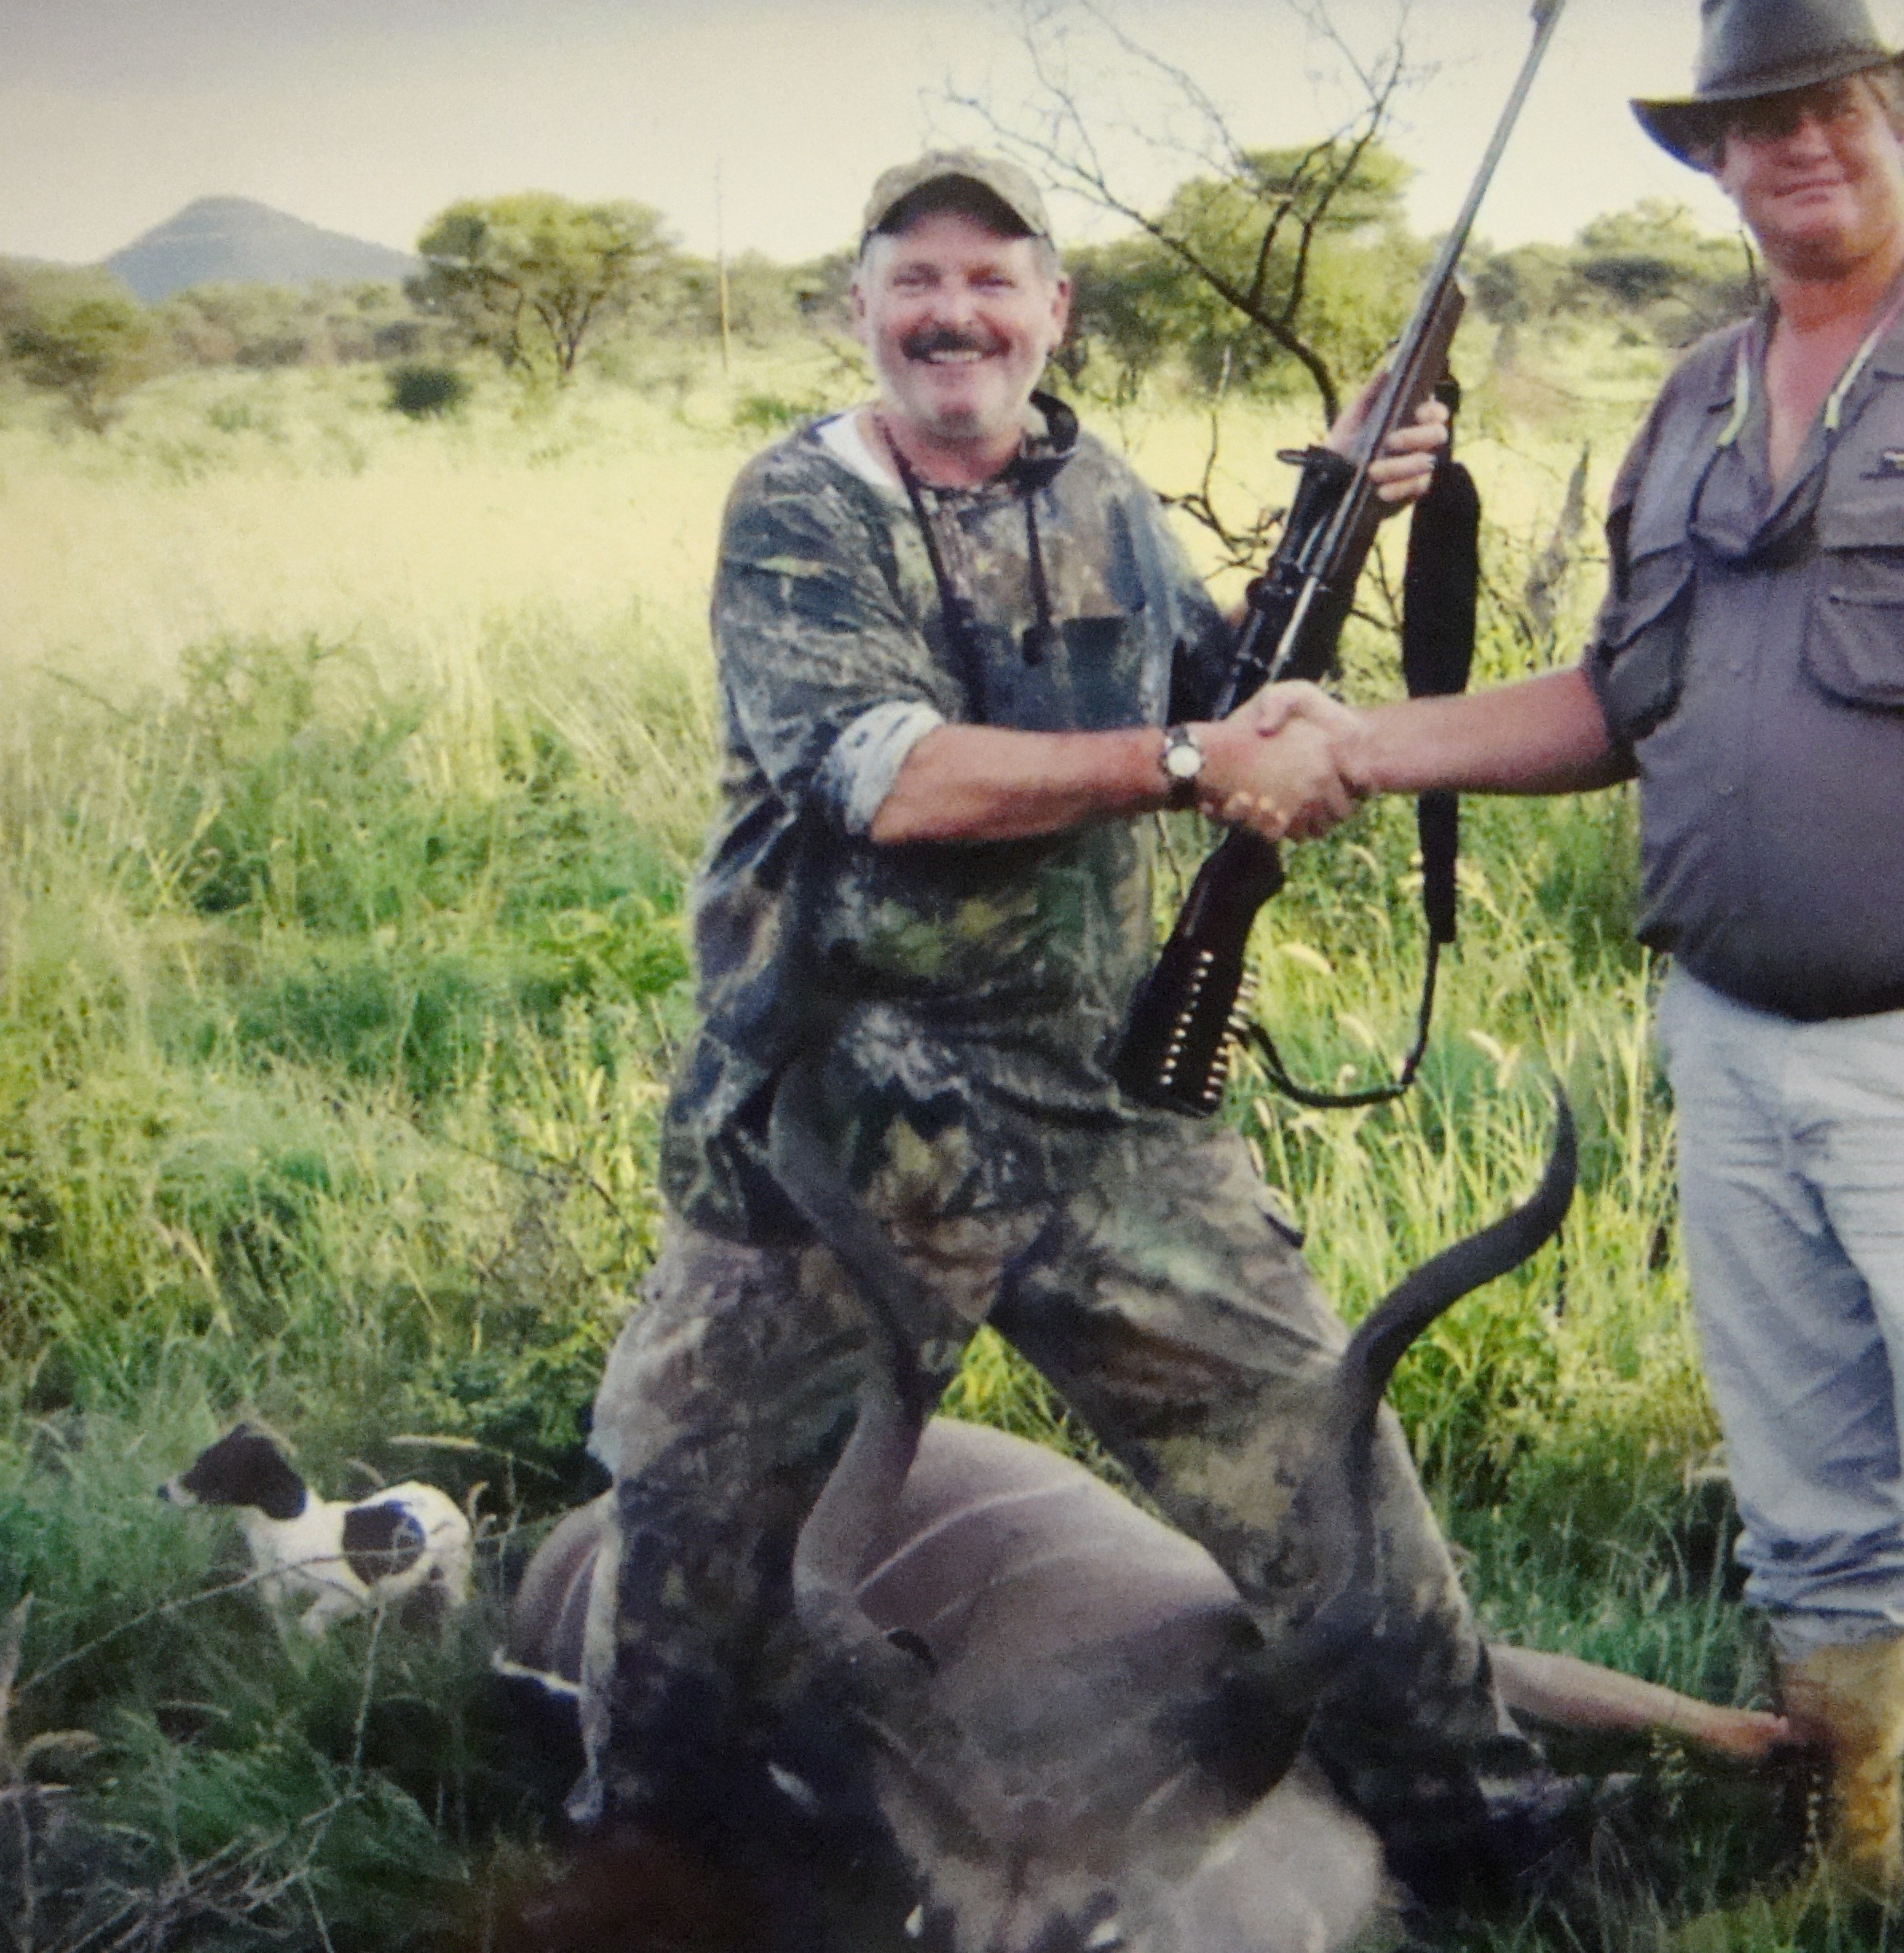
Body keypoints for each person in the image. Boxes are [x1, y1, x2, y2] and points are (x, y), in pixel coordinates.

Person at [1251, 0, 1904, 1912]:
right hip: (1734, 1047)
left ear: (1898, 123)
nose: (1802, 148)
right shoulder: (1691, 394)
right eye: (1757, 122)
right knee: (1807, 1505)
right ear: (1709, 160)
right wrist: (1349, 741)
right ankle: (1850, 1870)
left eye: (1836, 107)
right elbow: (1621, 699)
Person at [569, 148, 1574, 1906]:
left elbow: (1212, 694)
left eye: (993, 276)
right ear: (858, 309)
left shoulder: (1098, 487)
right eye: (916, 278)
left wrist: (1342, 521)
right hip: (837, 1139)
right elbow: (887, 778)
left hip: (1108, 1120)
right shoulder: (802, 506)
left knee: (1328, 1473)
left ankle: (1492, 1843)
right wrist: (1199, 766)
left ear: (1056, 309)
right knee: (686, 1551)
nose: (954, 312)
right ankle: (637, 1871)